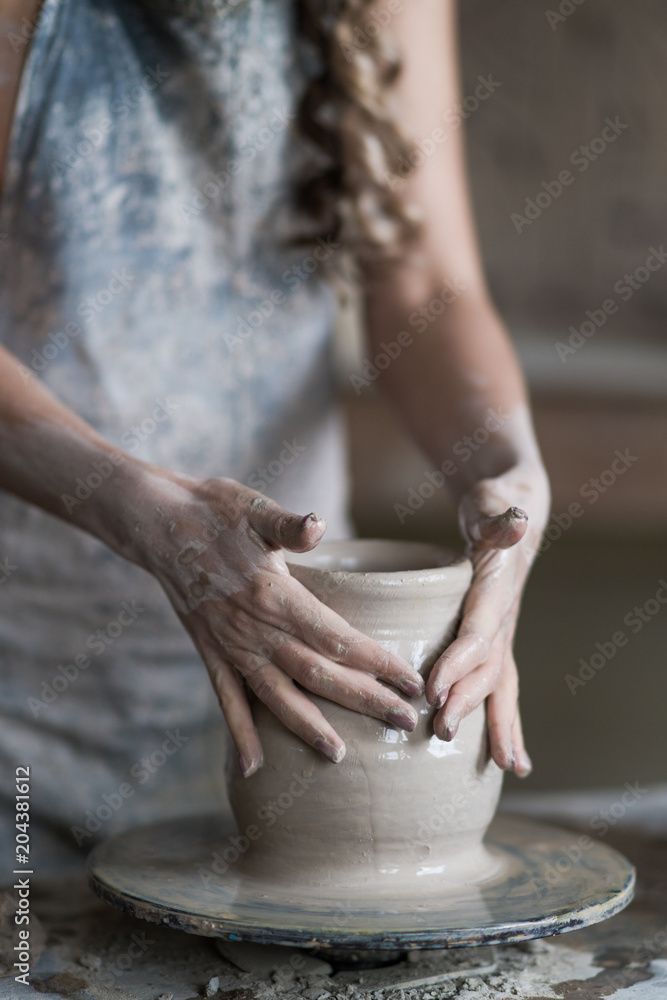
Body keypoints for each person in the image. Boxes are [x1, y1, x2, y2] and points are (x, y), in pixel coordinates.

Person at [0, 0, 550, 873]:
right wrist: (148, 515)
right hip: (26, 706)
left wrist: (512, 476)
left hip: (297, 672)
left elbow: (420, 278)